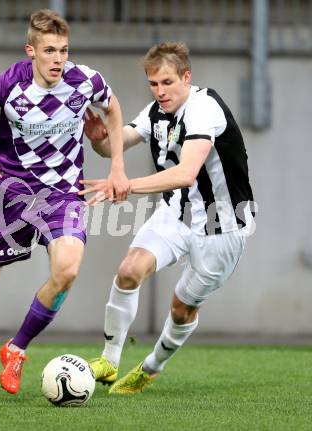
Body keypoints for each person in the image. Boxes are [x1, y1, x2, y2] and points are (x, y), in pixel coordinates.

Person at [0, 9, 129, 398]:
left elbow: (113, 108)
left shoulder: (86, 81)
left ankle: (15, 350)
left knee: (67, 270)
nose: (58, 60)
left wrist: (117, 165)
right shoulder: (7, 84)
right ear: (30, 50)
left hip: (64, 195)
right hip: (11, 197)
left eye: (63, 50)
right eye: (49, 51)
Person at [81, 42, 254, 394]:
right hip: (177, 211)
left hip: (222, 225)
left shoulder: (204, 109)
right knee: (129, 270)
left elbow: (186, 173)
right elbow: (122, 140)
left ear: (186, 78)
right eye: (153, 84)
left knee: (180, 309)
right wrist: (102, 141)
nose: (160, 91)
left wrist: (126, 185)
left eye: (167, 83)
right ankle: (109, 361)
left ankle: (152, 366)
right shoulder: (156, 112)